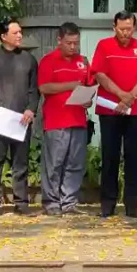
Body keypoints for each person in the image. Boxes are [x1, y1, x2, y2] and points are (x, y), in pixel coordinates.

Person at [0, 17, 39, 218]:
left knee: (21, 163)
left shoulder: (29, 59)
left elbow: (34, 89)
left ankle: (21, 203)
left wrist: (31, 109)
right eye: (15, 32)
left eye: (20, 32)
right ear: (3, 36)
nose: (20, 35)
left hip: (22, 119)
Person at [91, 11, 137, 218]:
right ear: (114, 27)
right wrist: (121, 95)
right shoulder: (104, 45)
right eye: (122, 29)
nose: (125, 33)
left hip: (135, 109)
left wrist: (130, 96)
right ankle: (108, 203)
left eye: (129, 29)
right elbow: (99, 74)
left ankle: (132, 204)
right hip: (110, 108)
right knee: (110, 156)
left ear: (134, 28)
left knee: (134, 156)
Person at [37, 22, 93, 216]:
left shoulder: (83, 62)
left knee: (75, 163)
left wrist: (88, 99)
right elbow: (44, 87)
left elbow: (89, 85)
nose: (73, 47)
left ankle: (69, 202)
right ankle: (51, 202)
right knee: (54, 163)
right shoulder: (48, 60)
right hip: (56, 121)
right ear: (59, 40)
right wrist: (71, 85)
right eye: (69, 43)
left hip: (78, 119)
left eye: (76, 43)